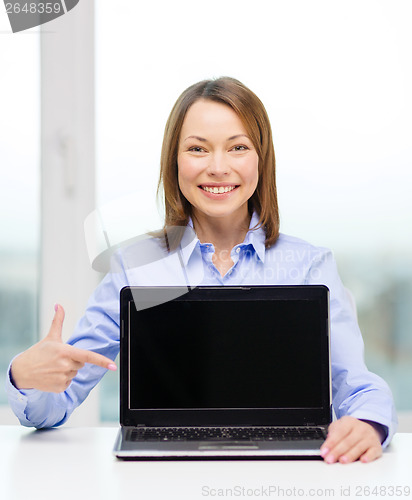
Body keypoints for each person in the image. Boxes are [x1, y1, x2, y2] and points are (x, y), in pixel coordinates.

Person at [6, 77, 397, 464]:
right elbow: (53, 406)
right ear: (174, 160)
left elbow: (357, 386)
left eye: (237, 147)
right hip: (163, 476)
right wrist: (26, 376)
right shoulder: (139, 268)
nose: (218, 167)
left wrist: (368, 423)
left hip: (288, 469)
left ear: (261, 158)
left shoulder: (309, 266)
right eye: (197, 148)